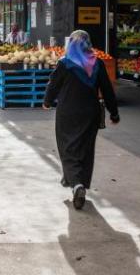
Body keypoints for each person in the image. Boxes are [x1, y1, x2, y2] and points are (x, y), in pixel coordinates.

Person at [43, 30, 119, 210]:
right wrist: (114, 113)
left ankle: (76, 184)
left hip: (67, 112)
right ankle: (79, 183)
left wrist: (47, 102)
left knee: (68, 148)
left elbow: (53, 85)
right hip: (90, 113)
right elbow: (107, 90)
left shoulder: (64, 63)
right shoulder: (97, 63)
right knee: (85, 148)